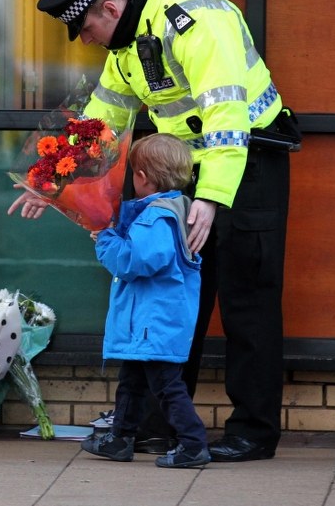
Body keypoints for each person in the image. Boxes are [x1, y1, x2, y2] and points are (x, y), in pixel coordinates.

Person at [8, 0, 299, 462]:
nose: (85, 39)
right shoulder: (125, 48)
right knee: (174, 297)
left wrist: (210, 199)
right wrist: (53, 182)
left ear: (110, 6)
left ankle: (253, 431)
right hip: (183, 172)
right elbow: (101, 123)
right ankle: (162, 425)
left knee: (246, 299)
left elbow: (227, 115)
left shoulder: (195, 20)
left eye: (85, 26)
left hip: (247, 163)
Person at [81, 133, 209, 468]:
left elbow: (133, 261)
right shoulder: (172, 208)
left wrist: (105, 237)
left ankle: (193, 444)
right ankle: (120, 438)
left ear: (142, 177)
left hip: (154, 322)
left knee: (166, 386)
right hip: (152, 321)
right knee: (132, 381)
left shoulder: (157, 218)